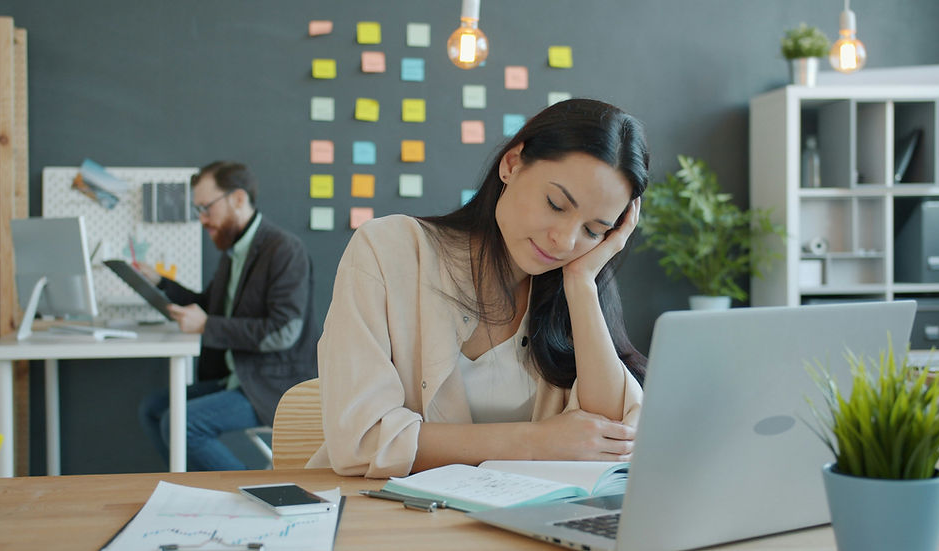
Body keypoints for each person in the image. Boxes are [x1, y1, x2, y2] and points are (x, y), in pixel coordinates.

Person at [311, 99, 649, 478]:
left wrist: (582, 284)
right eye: (556, 204)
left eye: (593, 230)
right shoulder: (388, 249)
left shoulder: (571, 291)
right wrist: (536, 442)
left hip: (513, 526)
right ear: (512, 164)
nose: (565, 241)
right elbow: (363, 440)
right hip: (384, 519)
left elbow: (611, 438)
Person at [137, 161, 318, 471]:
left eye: (206, 208)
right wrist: (160, 283)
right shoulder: (234, 252)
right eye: (199, 210)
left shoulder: (284, 250)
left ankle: (243, 492)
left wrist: (207, 325)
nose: (203, 219)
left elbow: (283, 330)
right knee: (153, 409)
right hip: (239, 377)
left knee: (181, 424)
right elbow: (210, 306)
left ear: (237, 199)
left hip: (272, 385)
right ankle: (196, 488)